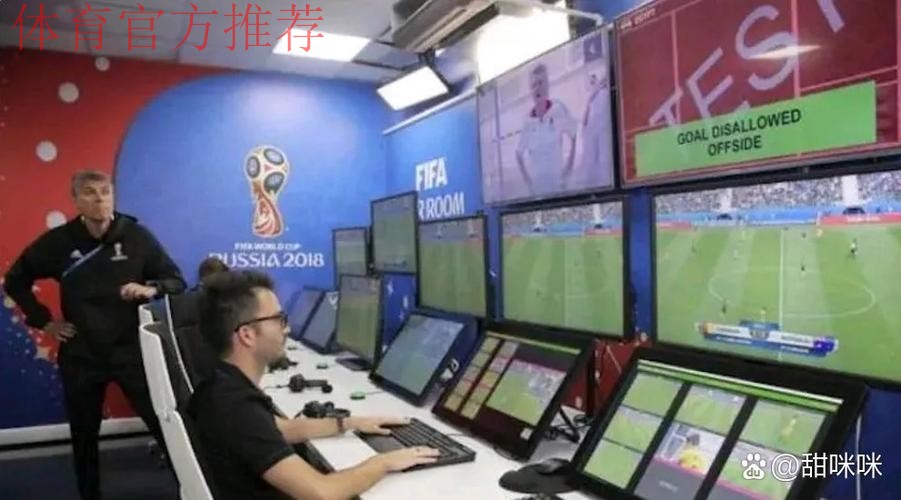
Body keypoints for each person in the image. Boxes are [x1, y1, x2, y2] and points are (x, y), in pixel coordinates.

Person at [3, 170, 187, 500]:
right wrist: (45, 322)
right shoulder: (59, 242)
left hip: (131, 350)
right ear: (76, 201)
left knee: (165, 425)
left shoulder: (136, 236)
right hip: (82, 353)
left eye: (105, 191)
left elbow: (176, 281)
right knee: (84, 435)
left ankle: (191, 489)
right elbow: (15, 279)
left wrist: (150, 288)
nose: (100, 199)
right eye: (89, 192)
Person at [190, 270, 439, 500]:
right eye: (279, 319)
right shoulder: (237, 407)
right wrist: (383, 462)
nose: (287, 329)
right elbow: (323, 492)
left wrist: (349, 423)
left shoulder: (221, 386)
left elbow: (282, 429)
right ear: (247, 334)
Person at [515, 63, 577, 197]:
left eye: (541, 83)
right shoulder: (527, 122)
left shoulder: (558, 110)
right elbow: (518, 154)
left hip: (559, 190)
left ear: (547, 86)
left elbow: (574, 135)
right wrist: (529, 183)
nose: (538, 88)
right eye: (534, 85)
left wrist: (568, 170)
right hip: (538, 193)